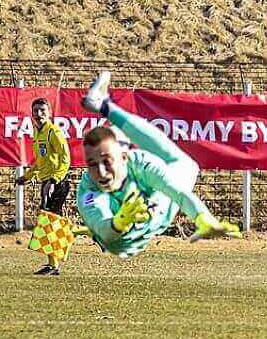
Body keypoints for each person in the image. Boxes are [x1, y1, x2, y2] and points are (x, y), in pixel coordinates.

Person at [76, 71, 241, 258]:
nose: (101, 171)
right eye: (93, 164)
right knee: (184, 164)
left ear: (124, 156)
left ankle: (104, 106)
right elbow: (103, 227)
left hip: (158, 212)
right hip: (124, 240)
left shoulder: (140, 163)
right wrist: (118, 222)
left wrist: (202, 217)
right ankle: (104, 106)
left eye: (107, 161)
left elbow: (177, 191)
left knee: (184, 165)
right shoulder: (88, 188)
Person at [16, 96, 75, 276]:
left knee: (49, 222)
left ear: (49, 113)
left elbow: (66, 159)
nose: (39, 114)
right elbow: (40, 162)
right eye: (36, 111)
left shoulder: (53, 132)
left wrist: (54, 180)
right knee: (49, 222)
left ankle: (54, 265)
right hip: (47, 181)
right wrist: (26, 177)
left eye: (42, 110)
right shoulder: (38, 132)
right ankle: (52, 265)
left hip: (57, 183)